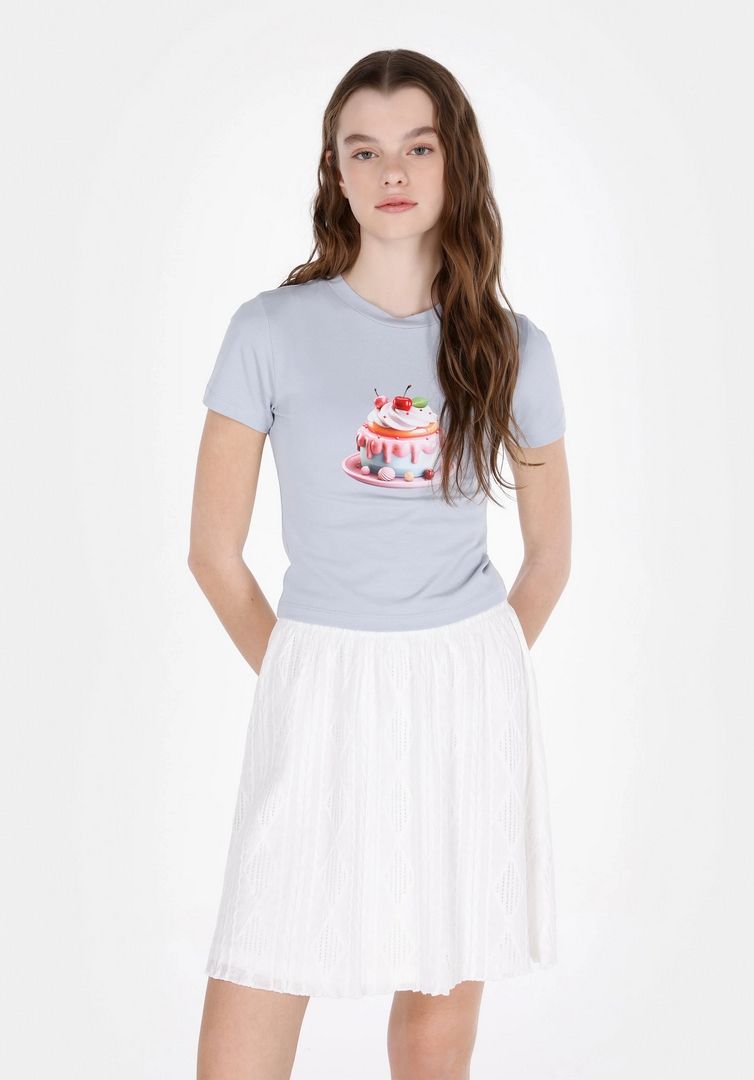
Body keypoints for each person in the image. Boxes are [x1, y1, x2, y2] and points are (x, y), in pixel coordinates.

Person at [189, 47, 571, 1080]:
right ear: (336, 170)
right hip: (318, 676)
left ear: (456, 164)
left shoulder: (513, 347)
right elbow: (213, 554)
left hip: (464, 690)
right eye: (364, 150)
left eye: (417, 147)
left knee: (435, 1025)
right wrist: (306, 673)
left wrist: (470, 668)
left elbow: (550, 556)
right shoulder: (268, 332)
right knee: (257, 983)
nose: (391, 171)